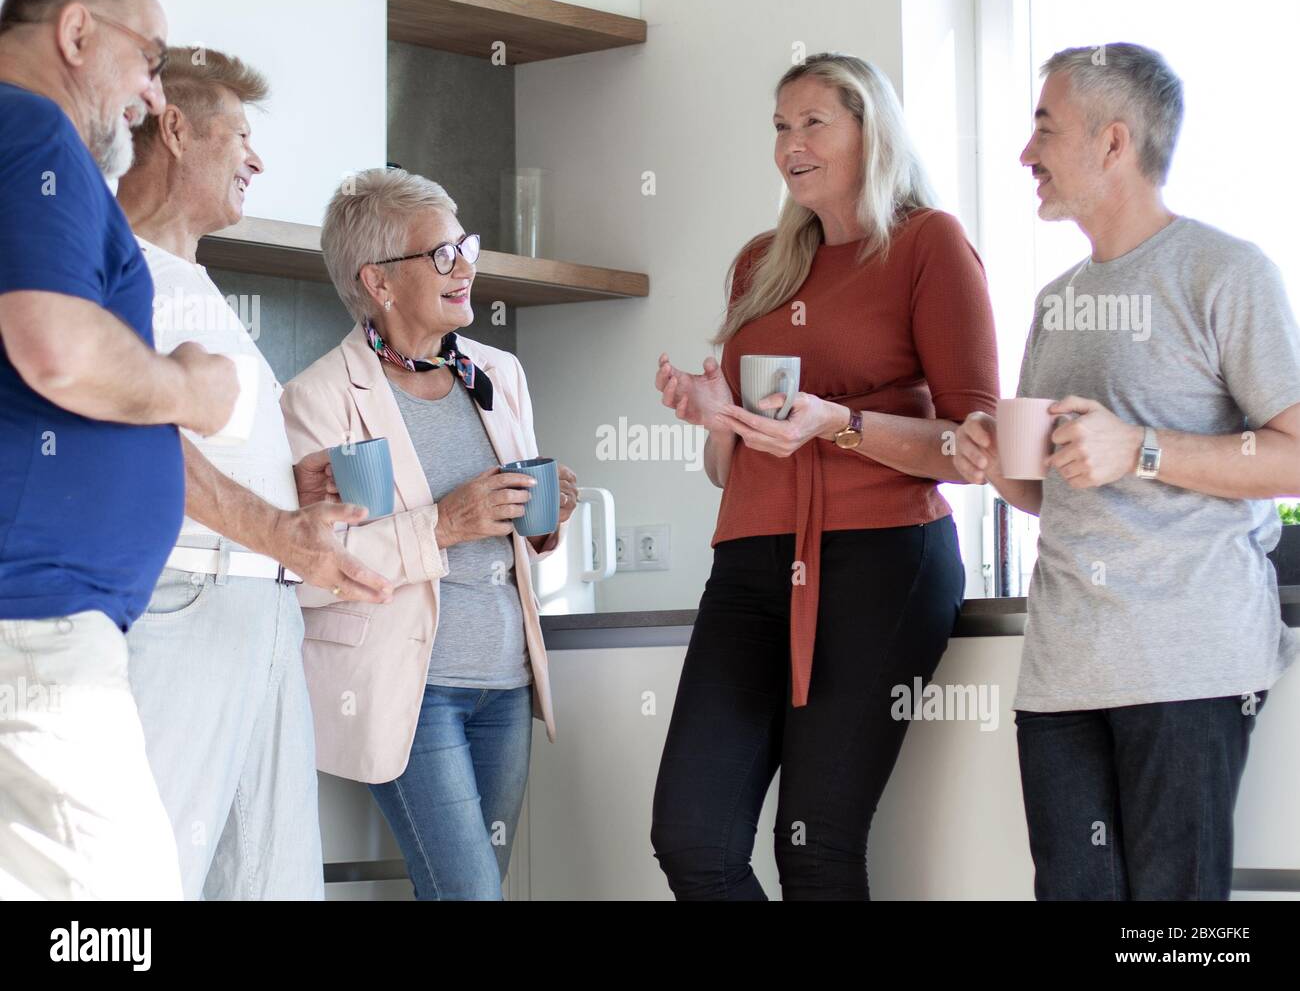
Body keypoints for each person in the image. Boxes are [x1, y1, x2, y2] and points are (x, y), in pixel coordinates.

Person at [650, 52, 999, 899]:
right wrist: (715, 414)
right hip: (749, 561)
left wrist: (839, 424)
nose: (791, 144)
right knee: (691, 837)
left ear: (869, 130)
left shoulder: (928, 245)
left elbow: (977, 445)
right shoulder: (760, 263)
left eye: (813, 123)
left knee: (816, 842)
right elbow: (725, 464)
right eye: (780, 125)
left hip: (881, 560)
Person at [955, 43, 1300, 900]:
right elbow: (1050, 489)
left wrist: (1141, 446)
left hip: (1187, 664)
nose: (1025, 154)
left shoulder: (1226, 272)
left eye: (1044, 128)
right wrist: (995, 464)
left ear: (1114, 143)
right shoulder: (1055, 300)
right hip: (1063, 670)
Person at [115, 45, 393, 900]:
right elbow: (130, 439)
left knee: (269, 881)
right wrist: (274, 525)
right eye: (239, 135)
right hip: (185, 600)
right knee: (147, 875)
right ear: (174, 129)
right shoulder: (112, 270)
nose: (258, 159)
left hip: (257, 611)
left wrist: (290, 485)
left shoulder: (191, 283)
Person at [280, 167, 579, 900]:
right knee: (470, 895)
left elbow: (506, 532)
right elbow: (312, 568)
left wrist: (546, 520)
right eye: (442, 254)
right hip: (414, 690)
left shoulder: (498, 374)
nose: (466, 265)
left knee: (466, 890)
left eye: (465, 245)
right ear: (378, 282)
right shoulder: (318, 397)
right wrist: (444, 523)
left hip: (505, 682)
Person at [0, 0, 237, 899]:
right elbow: (54, 344)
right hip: (38, 623)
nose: (150, 97)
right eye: (150, 61)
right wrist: (191, 388)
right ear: (75, 30)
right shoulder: (34, 132)